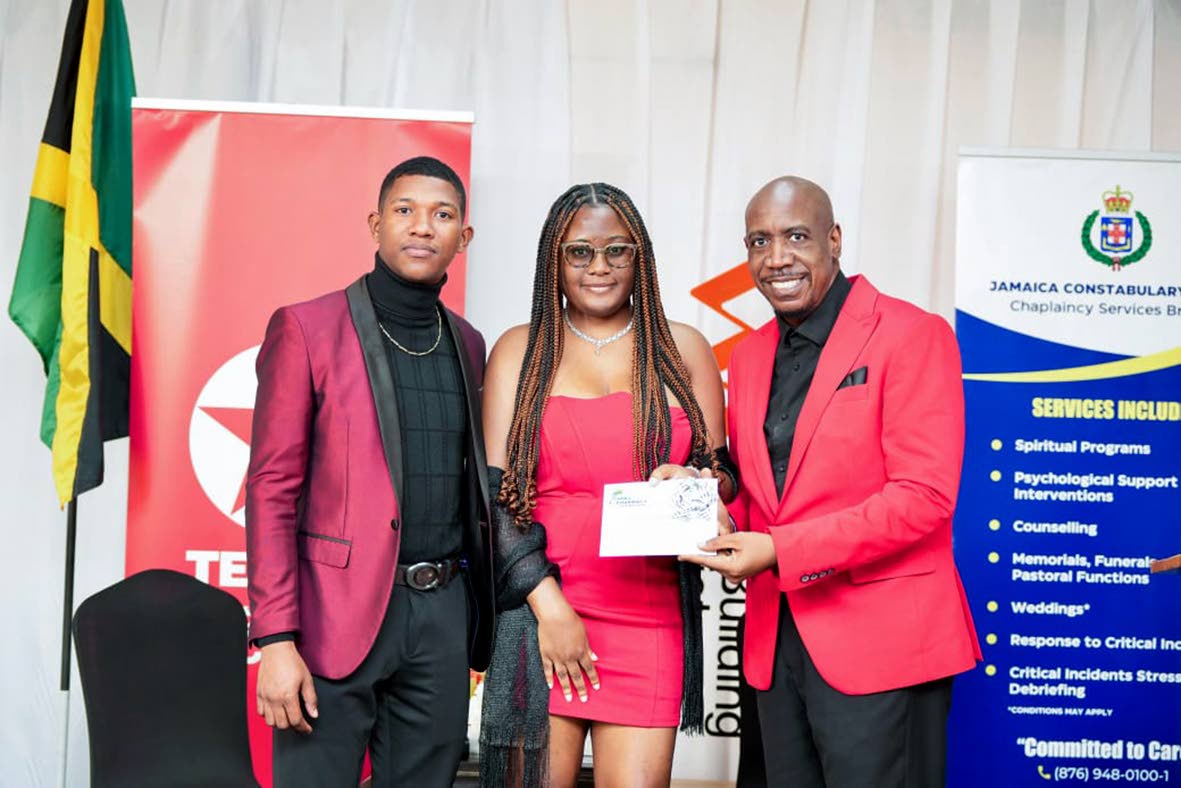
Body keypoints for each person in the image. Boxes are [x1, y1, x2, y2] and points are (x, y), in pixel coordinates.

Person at [682, 176, 981, 787]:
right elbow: (767, 490)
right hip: (775, 641)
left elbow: (923, 497)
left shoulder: (910, 334)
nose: (777, 258)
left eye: (797, 236)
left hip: (884, 641)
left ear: (834, 240)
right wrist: (693, 494)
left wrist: (781, 551)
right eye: (759, 241)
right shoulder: (750, 354)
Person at [245, 156, 495, 788]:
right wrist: (275, 639)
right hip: (332, 618)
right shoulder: (306, 327)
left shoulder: (468, 343)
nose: (422, 227)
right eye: (405, 210)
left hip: (439, 618)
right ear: (375, 223)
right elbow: (272, 490)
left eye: (442, 216)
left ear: (463, 238)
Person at [479, 183, 736, 788]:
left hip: (647, 617)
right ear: (554, 261)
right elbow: (497, 497)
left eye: (617, 250)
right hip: (540, 615)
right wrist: (551, 608)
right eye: (579, 252)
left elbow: (724, 476)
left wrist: (702, 483)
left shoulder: (684, 350)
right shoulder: (520, 351)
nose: (599, 267)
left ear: (639, 256)